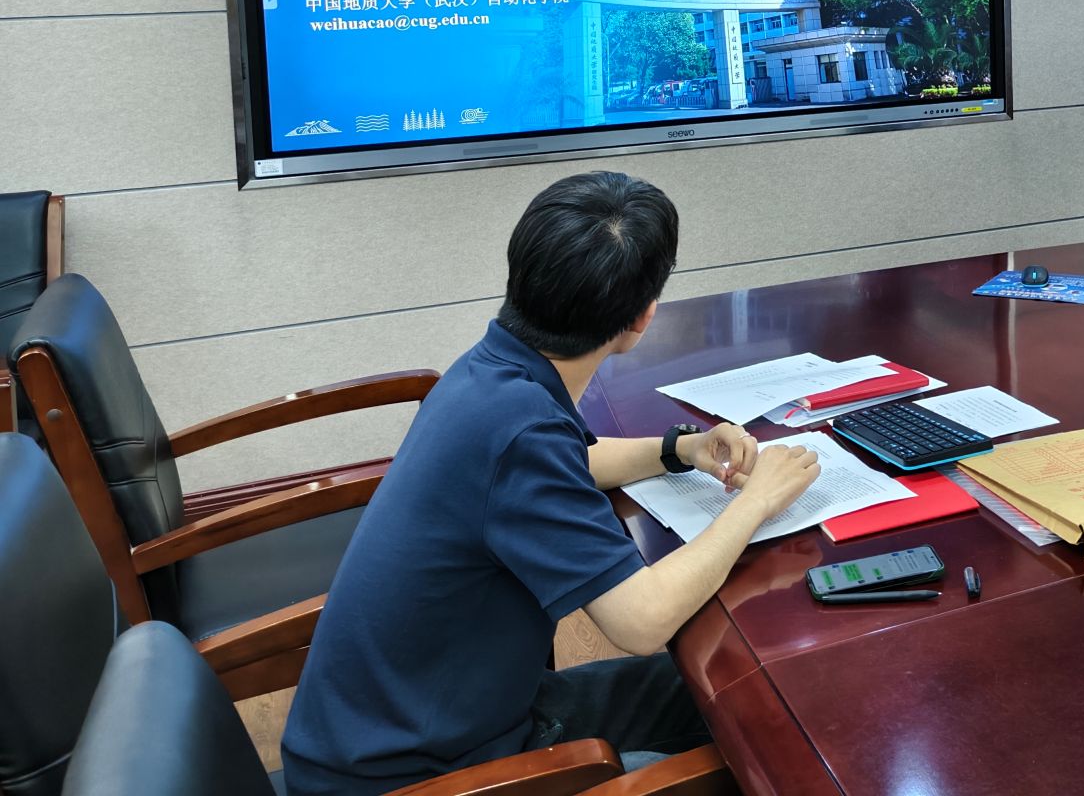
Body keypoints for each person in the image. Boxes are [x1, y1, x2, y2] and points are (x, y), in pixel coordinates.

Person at [282, 171, 821, 796]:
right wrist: (756, 501)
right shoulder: (521, 430)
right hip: (418, 774)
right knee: (754, 744)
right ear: (643, 316)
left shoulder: (489, 375)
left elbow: (568, 463)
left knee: (742, 688)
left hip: (410, 723)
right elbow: (642, 623)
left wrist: (681, 449)